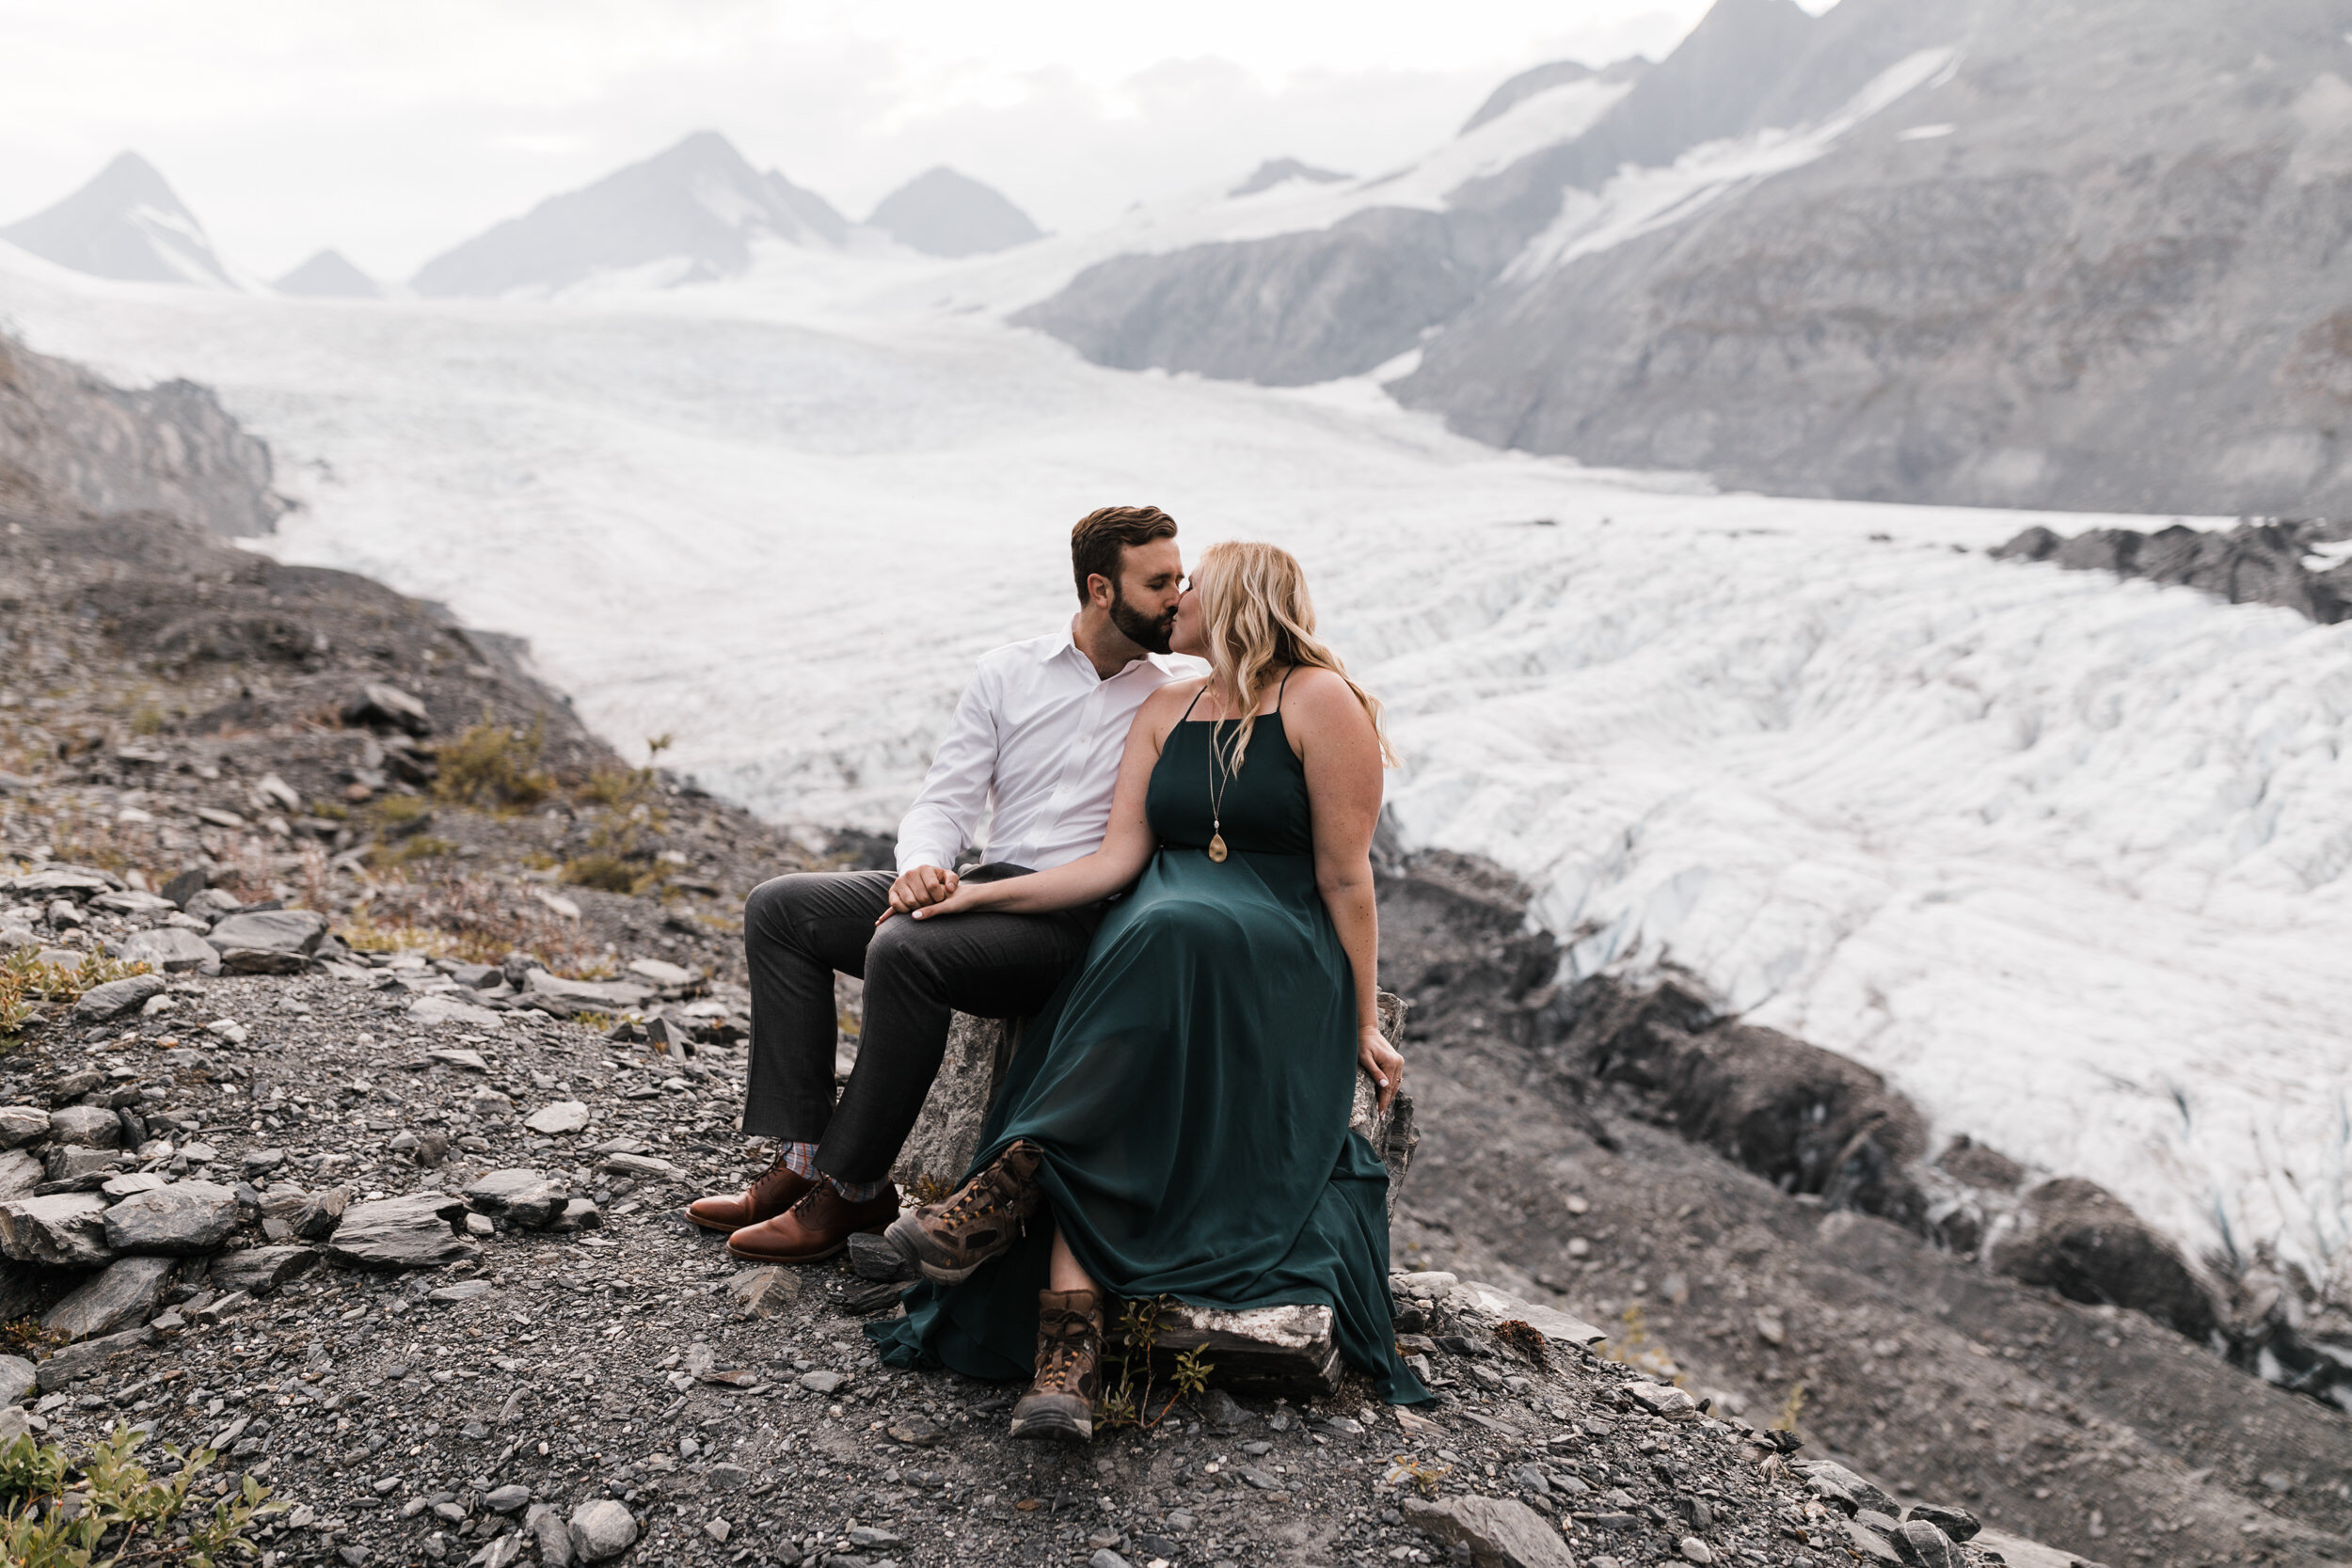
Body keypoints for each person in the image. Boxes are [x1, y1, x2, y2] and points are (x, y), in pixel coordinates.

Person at [870, 540, 1429, 1437]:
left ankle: (1011, 1186)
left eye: (1193, 586)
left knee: (1161, 932)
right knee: (1147, 941)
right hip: (1156, 936)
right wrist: (975, 892)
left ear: (1240, 597)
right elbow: (1115, 862)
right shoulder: (1167, 706)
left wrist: (1364, 1017)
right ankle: (1064, 1364)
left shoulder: (1322, 700)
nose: (1178, 600)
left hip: (1273, 940)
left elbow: (1346, 878)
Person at [686, 506, 1197, 1263]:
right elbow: (946, 798)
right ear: (1099, 588)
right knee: (782, 907)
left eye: (1180, 580)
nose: (1178, 597)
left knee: (904, 949)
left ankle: (855, 1191)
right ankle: (799, 1161)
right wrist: (924, 863)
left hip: (1070, 920)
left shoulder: (1179, 693)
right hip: (982, 887)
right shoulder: (1008, 670)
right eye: (1159, 582)